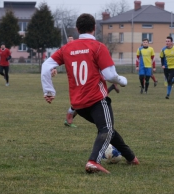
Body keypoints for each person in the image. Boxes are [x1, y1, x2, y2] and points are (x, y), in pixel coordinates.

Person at [41, 13, 139, 174]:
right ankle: (93, 161)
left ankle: (131, 157)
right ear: (94, 28)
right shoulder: (98, 47)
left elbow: (46, 66)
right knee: (106, 129)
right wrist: (123, 80)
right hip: (96, 99)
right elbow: (110, 76)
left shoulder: (66, 48)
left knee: (107, 129)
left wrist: (49, 91)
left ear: (78, 29)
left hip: (78, 104)